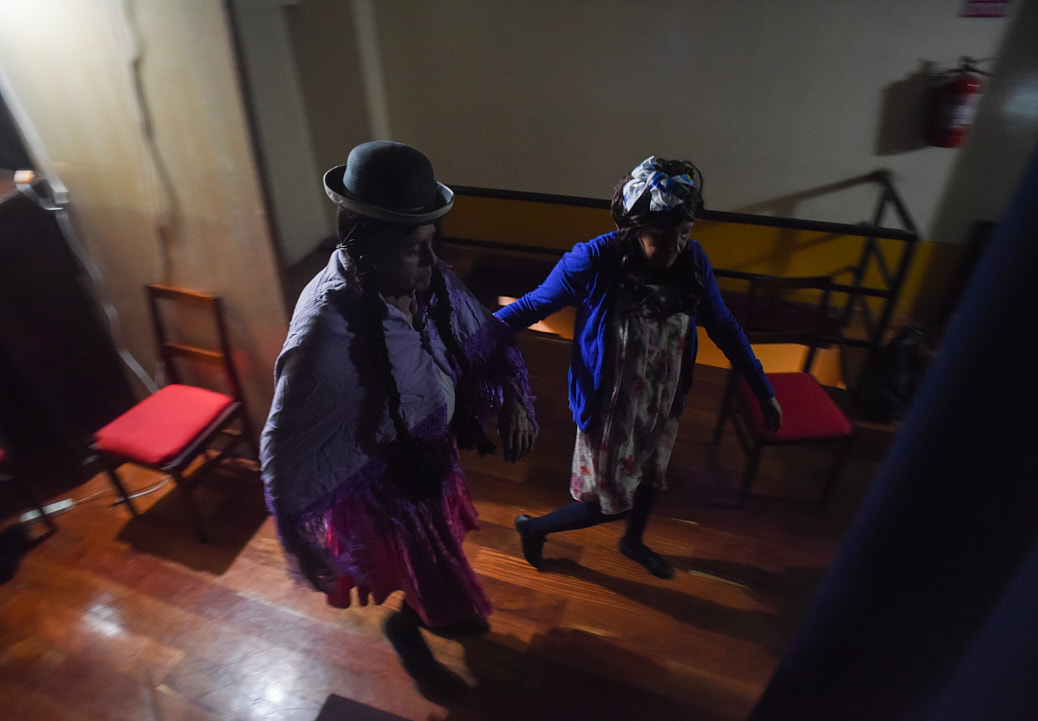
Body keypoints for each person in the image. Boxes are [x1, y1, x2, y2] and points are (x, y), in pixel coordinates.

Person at [261, 141, 536, 684]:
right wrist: (299, 537)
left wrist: (514, 398)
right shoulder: (325, 328)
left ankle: (429, 616)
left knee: (441, 549)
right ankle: (411, 627)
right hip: (388, 488)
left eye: (432, 243)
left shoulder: (420, 278)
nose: (433, 263)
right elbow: (284, 439)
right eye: (415, 249)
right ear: (367, 248)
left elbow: (481, 332)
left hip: (430, 457)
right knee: (429, 566)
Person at [497, 156, 782, 580]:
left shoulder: (694, 262)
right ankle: (534, 527)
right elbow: (532, 306)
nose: (675, 246)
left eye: (684, 233)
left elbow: (724, 325)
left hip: (661, 399)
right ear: (636, 227)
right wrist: (471, 337)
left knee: (650, 475)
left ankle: (633, 542)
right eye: (662, 235)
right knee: (611, 500)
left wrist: (762, 388)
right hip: (612, 410)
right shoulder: (595, 260)